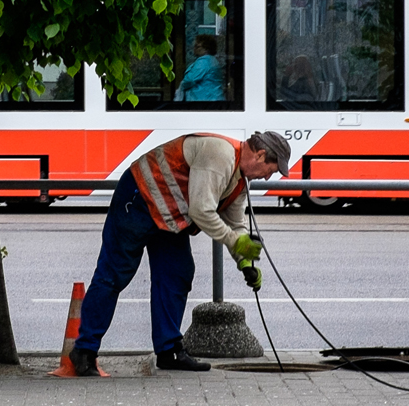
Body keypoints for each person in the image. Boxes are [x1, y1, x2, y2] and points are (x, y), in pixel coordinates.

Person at [70, 131, 291, 375]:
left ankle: (169, 351)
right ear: (260, 155)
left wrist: (245, 262)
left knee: (177, 274)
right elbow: (202, 212)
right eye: (271, 170)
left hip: (170, 216)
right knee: (114, 274)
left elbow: (236, 225)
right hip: (138, 198)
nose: (268, 176)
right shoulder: (221, 155)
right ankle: (84, 351)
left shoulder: (240, 180)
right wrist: (237, 244)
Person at [178, 35, 225, 101]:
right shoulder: (212, 60)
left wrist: (182, 85)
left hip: (204, 98)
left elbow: (190, 79)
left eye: (197, 46)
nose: (194, 48)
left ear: (206, 49)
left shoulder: (204, 61)